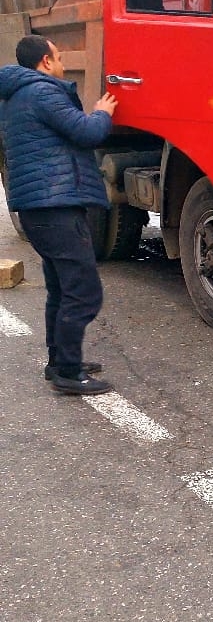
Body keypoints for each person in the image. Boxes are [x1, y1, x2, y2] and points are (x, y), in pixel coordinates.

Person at [0, 35, 117, 395]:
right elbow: (86, 132)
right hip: (55, 207)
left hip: (40, 209)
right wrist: (103, 112)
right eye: (60, 56)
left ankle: (60, 362)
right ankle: (68, 371)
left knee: (61, 287)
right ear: (46, 62)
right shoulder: (43, 92)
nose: (63, 63)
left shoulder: (17, 96)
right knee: (83, 291)